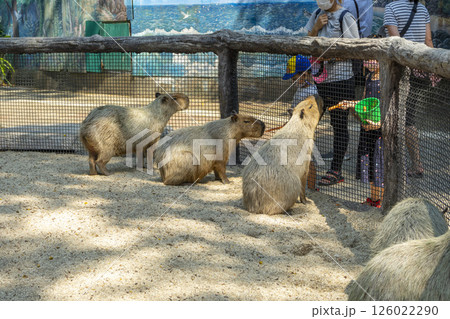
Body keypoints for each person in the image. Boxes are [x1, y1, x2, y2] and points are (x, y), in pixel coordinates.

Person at [305, 0, 359, 186]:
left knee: (339, 124)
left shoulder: (346, 16)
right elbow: (308, 40)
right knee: (310, 122)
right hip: (320, 79)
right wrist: (316, 27)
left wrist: (331, 56)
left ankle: (336, 169)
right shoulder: (316, 14)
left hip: (341, 80)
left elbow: (355, 48)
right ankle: (305, 166)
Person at [384, 0, 434, 178]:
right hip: (420, 70)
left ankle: (412, 164)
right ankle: (412, 162)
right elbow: (428, 41)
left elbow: (397, 44)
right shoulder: (422, 8)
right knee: (407, 117)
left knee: (402, 118)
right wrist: (432, 68)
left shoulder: (391, 8)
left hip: (400, 72)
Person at [338, 60, 384, 208]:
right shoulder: (369, 77)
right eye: (365, 60)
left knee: (379, 162)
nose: (366, 63)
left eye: (371, 59)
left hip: (380, 129)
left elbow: (388, 104)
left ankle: (381, 200)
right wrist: (352, 104)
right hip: (366, 127)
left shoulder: (386, 78)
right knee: (370, 162)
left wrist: (379, 124)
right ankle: (373, 197)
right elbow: (365, 102)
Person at [282, 55, 319, 190]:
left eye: (294, 77)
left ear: (304, 74)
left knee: (309, 160)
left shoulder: (311, 92)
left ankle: (312, 189)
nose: (293, 81)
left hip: (305, 132)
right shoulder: (301, 88)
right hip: (295, 130)